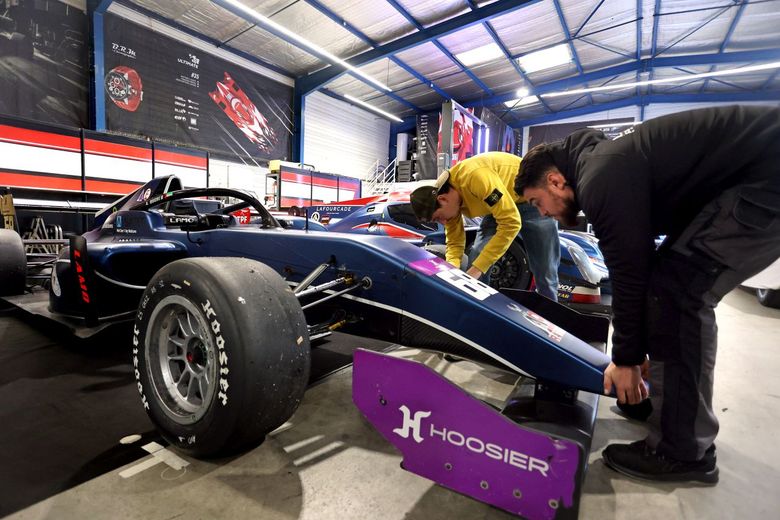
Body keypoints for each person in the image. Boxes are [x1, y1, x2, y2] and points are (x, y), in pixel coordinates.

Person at [515, 105, 780, 484]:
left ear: (556, 182)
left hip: (767, 181)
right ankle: (670, 411)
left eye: (537, 202)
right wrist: (637, 351)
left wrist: (626, 359)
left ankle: (683, 452)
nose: (543, 213)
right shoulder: (602, 165)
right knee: (666, 285)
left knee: (679, 294)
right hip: (755, 176)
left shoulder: (600, 178)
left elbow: (628, 273)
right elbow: (643, 267)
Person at [410, 151, 560, 300]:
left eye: (438, 217)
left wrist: (477, 269)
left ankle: (549, 311)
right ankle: (479, 306)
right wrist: (452, 270)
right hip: (498, 205)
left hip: (534, 199)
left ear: (442, 199)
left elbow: (511, 222)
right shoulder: (448, 202)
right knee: (478, 254)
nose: (443, 222)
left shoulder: (474, 177)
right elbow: (455, 243)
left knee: (545, 270)